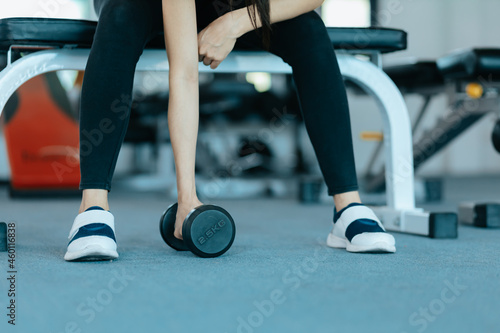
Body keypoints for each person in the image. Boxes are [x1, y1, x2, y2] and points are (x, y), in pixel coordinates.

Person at [64, 0, 396, 262]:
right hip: (148, 5)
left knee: (308, 28)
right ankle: (92, 207)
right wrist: (187, 200)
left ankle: (347, 207)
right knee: (122, 12)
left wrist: (235, 22)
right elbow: (184, 74)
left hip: (242, 9)